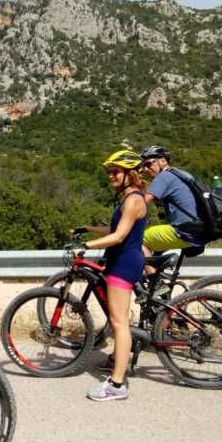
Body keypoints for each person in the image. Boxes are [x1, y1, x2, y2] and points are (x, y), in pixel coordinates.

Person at [78, 150, 148, 402]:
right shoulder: (129, 198)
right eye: (109, 171)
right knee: (118, 321)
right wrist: (88, 230)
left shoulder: (133, 201)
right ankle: (116, 366)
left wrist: (86, 246)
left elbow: (118, 237)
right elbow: (115, 229)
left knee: (119, 323)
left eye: (116, 171)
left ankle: (117, 385)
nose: (111, 175)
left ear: (130, 173)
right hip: (121, 261)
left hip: (124, 264)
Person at [139, 145, 203, 266]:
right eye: (144, 166)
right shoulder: (183, 174)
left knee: (137, 240)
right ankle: (155, 278)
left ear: (163, 161)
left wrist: (122, 211)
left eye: (148, 164)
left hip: (184, 230)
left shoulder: (164, 176)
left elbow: (141, 203)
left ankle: (155, 282)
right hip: (199, 229)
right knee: (154, 249)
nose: (146, 169)